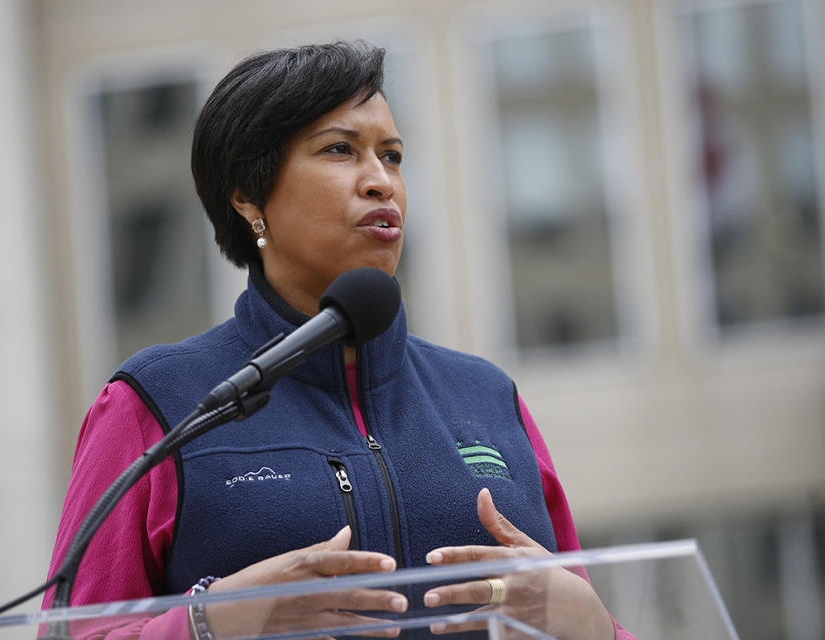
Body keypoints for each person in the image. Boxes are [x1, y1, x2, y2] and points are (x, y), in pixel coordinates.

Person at [44, 41, 632, 640]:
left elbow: (582, 614)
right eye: (340, 150)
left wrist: (594, 626)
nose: (381, 182)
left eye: (393, 156)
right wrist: (208, 621)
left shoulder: (486, 396)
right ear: (248, 196)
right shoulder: (159, 403)